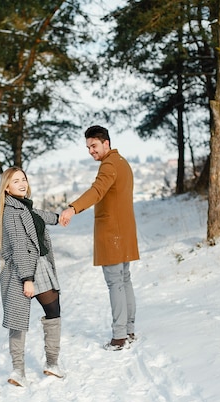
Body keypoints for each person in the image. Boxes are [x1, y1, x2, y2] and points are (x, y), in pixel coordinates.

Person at [59, 125, 139, 351]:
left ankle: (119, 337)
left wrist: (72, 208)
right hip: (124, 231)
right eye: (88, 147)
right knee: (124, 280)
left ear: (106, 143)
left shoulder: (109, 165)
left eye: (94, 146)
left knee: (116, 283)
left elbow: (97, 190)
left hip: (112, 233)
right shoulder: (122, 162)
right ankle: (129, 330)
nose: (91, 151)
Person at [0, 166, 65, 387]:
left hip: (39, 267)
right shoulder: (11, 212)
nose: (22, 183)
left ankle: (52, 364)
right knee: (18, 321)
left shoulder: (26, 207)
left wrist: (61, 217)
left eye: (23, 179)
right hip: (22, 270)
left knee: (53, 312)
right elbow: (18, 246)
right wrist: (27, 278)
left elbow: (42, 216)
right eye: (16, 181)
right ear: (6, 188)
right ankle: (18, 372)